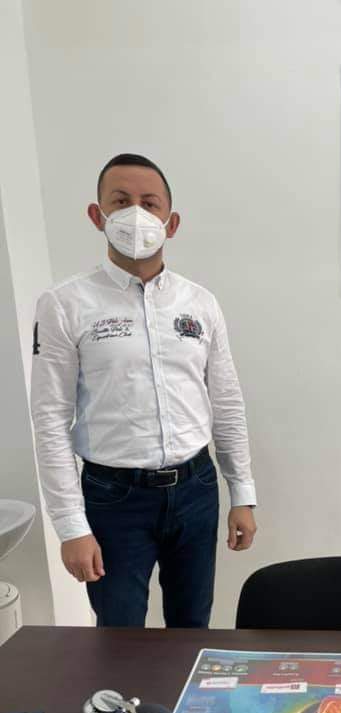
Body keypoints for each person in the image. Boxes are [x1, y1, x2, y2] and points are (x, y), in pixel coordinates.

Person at [30, 153, 257, 628]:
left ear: (171, 223)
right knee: (119, 637)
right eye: (120, 201)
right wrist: (71, 526)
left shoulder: (200, 302)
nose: (136, 214)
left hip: (196, 489)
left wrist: (242, 492)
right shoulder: (65, 304)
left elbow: (226, 401)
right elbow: (50, 418)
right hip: (113, 498)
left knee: (191, 630)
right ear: (97, 216)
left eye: (149, 203)